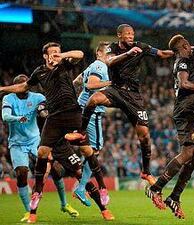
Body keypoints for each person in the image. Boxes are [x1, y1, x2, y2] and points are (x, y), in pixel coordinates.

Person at [0, 42, 108, 223]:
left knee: (80, 165)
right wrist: (3, 89)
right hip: (52, 130)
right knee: (41, 159)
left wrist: (63, 55)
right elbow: (23, 88)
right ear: (45, 56)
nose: (55, 55)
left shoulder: (64, 66)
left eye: (57, 52)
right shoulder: (38, 76)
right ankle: (32, 211)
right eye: (52, 53)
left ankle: (102, 206)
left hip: (68, 123)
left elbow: (80, 53)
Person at [65, 24, 174, 185]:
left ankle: (146, 172)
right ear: (119, 35)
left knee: (144, 136)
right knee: (93, 100)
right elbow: (109, 61)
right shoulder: (112, 48)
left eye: (132, 33)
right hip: (115, 90)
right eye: (128, 34)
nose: (131, 36)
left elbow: (162, 53)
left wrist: (179, 51)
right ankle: (81, 132)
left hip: (133, 96)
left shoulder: (140, 46)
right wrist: (128, 54)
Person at [145, 34, 194, 219]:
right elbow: (185, 85)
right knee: (187, 154)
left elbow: (193, 93)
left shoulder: (187, 63)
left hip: (193, 111)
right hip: (186, 113)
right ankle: (155, 187)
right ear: (181, 48)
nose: (190, 48)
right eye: (187, 46)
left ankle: (174, 197)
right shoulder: (182, 62)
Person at [2, 74, 79, 222]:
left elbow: (46, 110)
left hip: (35, 140)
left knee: (55, 168)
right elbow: (5, 117)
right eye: (22, 86)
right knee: (21, 173)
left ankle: (64, 204)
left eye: (27, 85)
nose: (25, 88)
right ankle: (28, 211)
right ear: (16, 87)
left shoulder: (37, 97)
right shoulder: (8, 98)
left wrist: (46, 113)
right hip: (17, 143)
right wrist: (18, 118)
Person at [71, 41, 112, 206]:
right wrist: (110, 84)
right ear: (99, 54)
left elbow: (76, 82)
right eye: (107, 53)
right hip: (91, 112)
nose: (110, 56)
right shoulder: (100, 67)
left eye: (111, 53)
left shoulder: (90, 67)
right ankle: (81, 188)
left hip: (81, 108)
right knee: (94, 150)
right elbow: (90, 84)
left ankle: (80, 183)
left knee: (88, 151)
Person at [50, 140, 115, 221]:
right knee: (52, 174)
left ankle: (104, 209)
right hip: (48, 149)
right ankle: (32, 212)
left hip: (65, 150)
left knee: (81, 174)